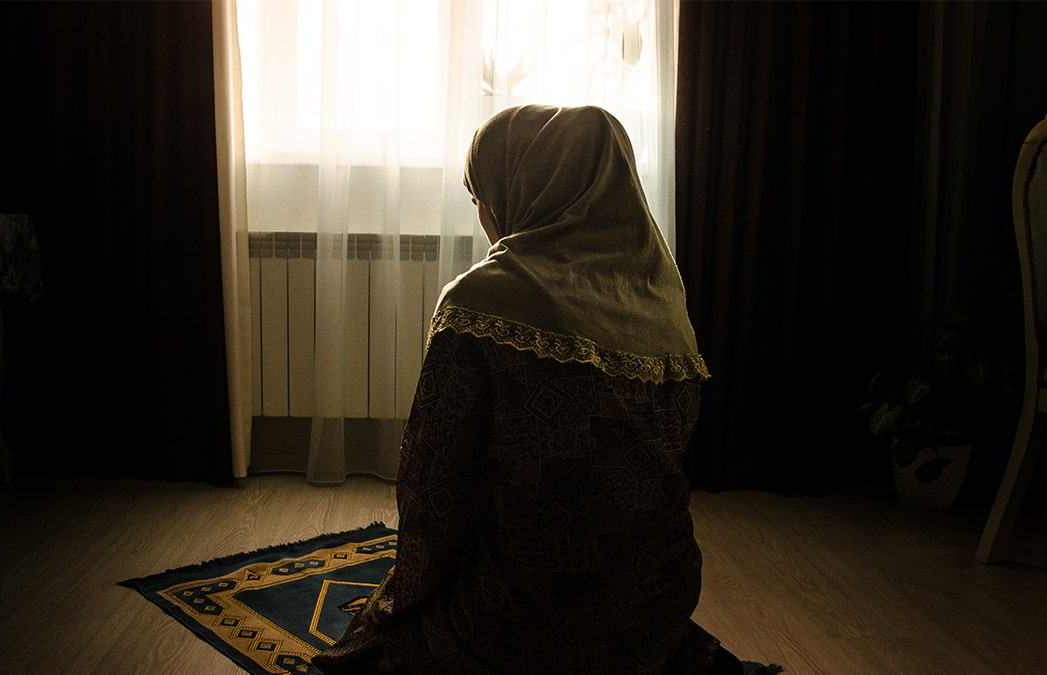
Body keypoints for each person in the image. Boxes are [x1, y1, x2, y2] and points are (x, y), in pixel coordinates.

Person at [313, 105, 781, 674]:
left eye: (480, 198)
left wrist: (400, 596)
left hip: (519, 624)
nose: (483, 217)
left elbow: (434, 490)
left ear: (525, 192)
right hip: (653, 610)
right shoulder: (661, 297)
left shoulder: (479, 304)